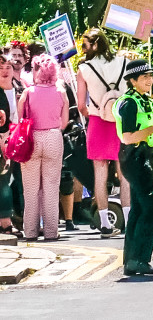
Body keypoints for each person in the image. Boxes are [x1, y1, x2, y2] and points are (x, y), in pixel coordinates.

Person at [115, 59, 153, 276]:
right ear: (132, 80)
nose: (149, 80)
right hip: (134, 157)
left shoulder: (145, 101)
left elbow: (147, 130)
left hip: (144, 155)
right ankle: (140, 259)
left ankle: (132, 260)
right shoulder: (129, 103)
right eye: (144, 77)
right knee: (152, 209)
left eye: (150, 76)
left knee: (139, 209)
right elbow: (128, 137)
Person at [75, 28, 131, 237]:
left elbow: (81, 104)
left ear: (95, 44)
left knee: (100, 173)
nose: (83, 50)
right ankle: (128, 218)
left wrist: (92, 113)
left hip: (98, 120)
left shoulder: (84, 68)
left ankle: (106, 223)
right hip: (121, 121)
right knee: (124, 172)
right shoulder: (124, 63)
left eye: (85, 45)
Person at [17, 55, 68, 241]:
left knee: (30, 189)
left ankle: (30, 232)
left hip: (32, 138)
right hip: (54, 137)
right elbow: (64, 122)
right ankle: (51, 231)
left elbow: (20, 117)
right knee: (51, 188)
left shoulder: (28, 92)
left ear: (36, 70)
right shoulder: (60, 92)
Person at [0, 52, 24, 236]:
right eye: (0, 67)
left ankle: (15, 219)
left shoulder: (18, 87)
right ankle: (5, 223)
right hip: (3, 141)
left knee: (14, 182)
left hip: (16, 140)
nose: (5, 71)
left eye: (8, 67)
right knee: (3, 182)